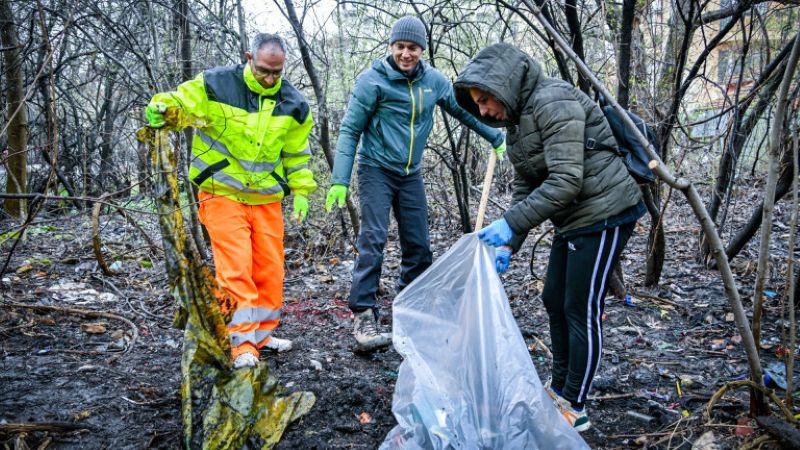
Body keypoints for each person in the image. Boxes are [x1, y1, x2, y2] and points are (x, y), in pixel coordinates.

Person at [453, 43, 646, 431]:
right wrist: (511, 240)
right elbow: (528, 187)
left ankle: (575, 402)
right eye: (478, 104)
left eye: (486, 100)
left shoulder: (552, 100)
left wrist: (510, 222)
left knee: (580, 306)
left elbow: (566, 180)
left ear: (503, 87)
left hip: (605, 212)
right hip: (573, 217)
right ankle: (558, 388)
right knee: (553, 298)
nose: (483, 111)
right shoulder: (519, 123)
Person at [326, 16, 506, 351]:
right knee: (374, 238)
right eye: (400, 47)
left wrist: (494, 135)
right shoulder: (372, 82)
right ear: (391, 47)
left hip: (411, 172)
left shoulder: (434, 81)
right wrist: (340, 179)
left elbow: (462, 112)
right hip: (376, 169)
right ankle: (364, 315)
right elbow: (350, 130)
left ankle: (411, 305)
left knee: (419, 244)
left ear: (422, 49)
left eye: (412, 48)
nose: (406, 54)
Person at [144, 33, 317, 369]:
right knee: (236, 269)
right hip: (221, 191)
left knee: (270, 270)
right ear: (249, 57)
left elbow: (296, 154)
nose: (269, 79)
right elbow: (181, 101)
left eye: (276, 73)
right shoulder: (215, 85)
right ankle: (242, 344)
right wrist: (161, 107)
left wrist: (303, 192)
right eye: (264, 70)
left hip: (266, 198)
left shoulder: (294, 104)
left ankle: (262, 337)